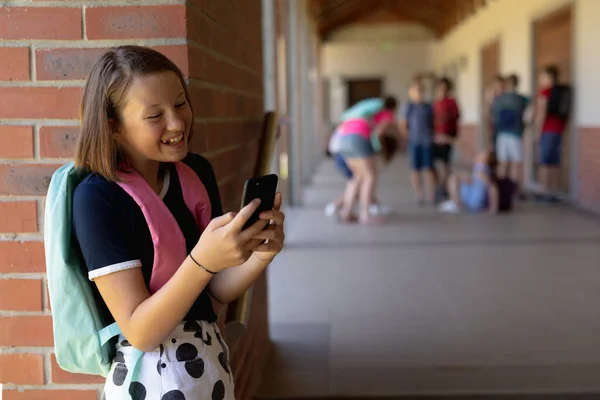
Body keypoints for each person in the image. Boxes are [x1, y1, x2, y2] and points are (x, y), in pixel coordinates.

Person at [72, 45, 285, 399]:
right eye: (155, 115)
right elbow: (141, 331)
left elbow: (215, 289)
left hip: (210, 368)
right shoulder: (98, 198)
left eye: (181, 103)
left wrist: (261, 254)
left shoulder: (196, 172)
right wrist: (202, 260)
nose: (177, 123)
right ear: (114, 127)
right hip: (150, 381)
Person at [336, 96, 398, 224]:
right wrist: (378, 148)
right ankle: (365, 215)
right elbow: (380, 132)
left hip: (343, 138)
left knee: (357, 176)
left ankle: (346, 212)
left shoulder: (367, 111)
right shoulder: (387, 113)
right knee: (370, 177)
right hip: (358, 137)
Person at [534, 65, 569, 202]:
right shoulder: (561, 92)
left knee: (544, 162)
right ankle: (555, 192)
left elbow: (541, 113)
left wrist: (538, 132)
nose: (541, 78)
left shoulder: (545, 92)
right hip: (558, 130)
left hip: (547, 130)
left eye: (543, 76)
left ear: (549, 77)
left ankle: (545, 191)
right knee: (555, 162)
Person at [490, 73, 529, 198]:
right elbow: (532, 112)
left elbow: (492, 115)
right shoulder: (522, 99)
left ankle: (502, 190)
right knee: (515, 163)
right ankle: (514, 191)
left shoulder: (499, 99)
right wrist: (526, 125)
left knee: (503, 163)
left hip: (501, 134)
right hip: (515, 134)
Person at [400, 80, 436, 205]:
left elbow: (433, 124)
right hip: (414, 142)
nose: (418, 92)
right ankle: (419, 194)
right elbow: (403, 125)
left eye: (420, 90)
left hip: (427, 141)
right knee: (415, 169)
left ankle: (431, 195)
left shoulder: (428, 107)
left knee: (429, 168)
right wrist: (406, 138)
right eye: (415, 90)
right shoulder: (408, 107)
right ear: (410, 92)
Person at [438, 150, 500, 214]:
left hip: (474, 202)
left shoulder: (482, 171)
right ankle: (455, 202)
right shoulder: (481, 171)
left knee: (454, 178)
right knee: (456, 177)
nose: (477, 155)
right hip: (474, 199)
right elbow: (478, 183)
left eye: (480, 155)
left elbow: (492, 187)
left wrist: (494, 207)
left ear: (484, 160)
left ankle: (455, 203)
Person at [432, 77, 460, 199]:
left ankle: (445, 187)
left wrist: (447, 136)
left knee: (445, 163)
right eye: (440, 88)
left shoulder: (451, 102)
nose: (442, 90)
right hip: (435, 137)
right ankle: (439, 185)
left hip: (448, 136)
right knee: (433, 164)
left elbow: (456, 116)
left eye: (444, 88)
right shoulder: (435, 103)